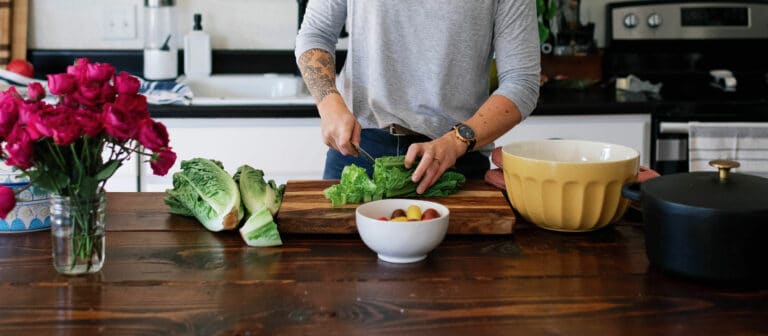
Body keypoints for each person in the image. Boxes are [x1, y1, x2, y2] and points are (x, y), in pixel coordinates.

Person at [295, 1, 540, 194]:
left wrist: (455, 143)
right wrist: (329, 103)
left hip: (454, 157)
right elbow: (315, 33)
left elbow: (522, 81)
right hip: (359, 149)